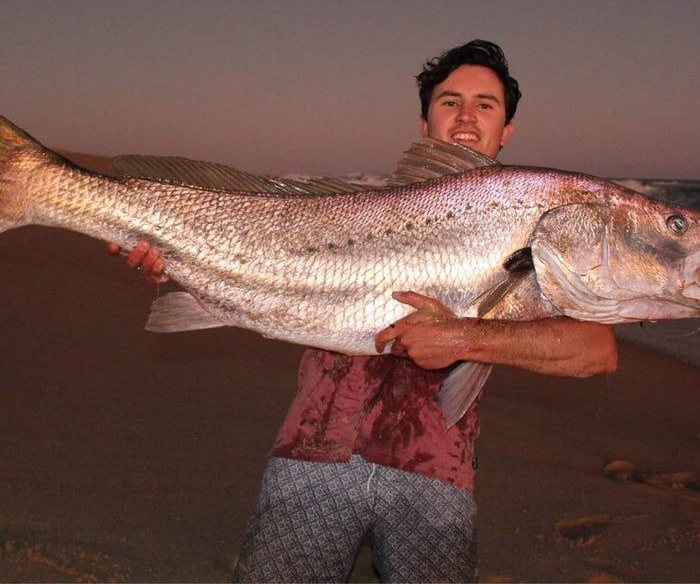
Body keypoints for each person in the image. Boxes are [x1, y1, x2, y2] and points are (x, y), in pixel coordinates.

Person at [111, 40, 618, 583]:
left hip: (434, 475)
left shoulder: (534, 231)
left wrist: (462, 339)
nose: (466, 116)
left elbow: (596, 351)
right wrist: (180, 263)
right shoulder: (352, 211)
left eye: (485, 104)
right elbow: (249, 256)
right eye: (450, 101)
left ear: (507, 131)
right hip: (311, 456)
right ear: (425, 122)